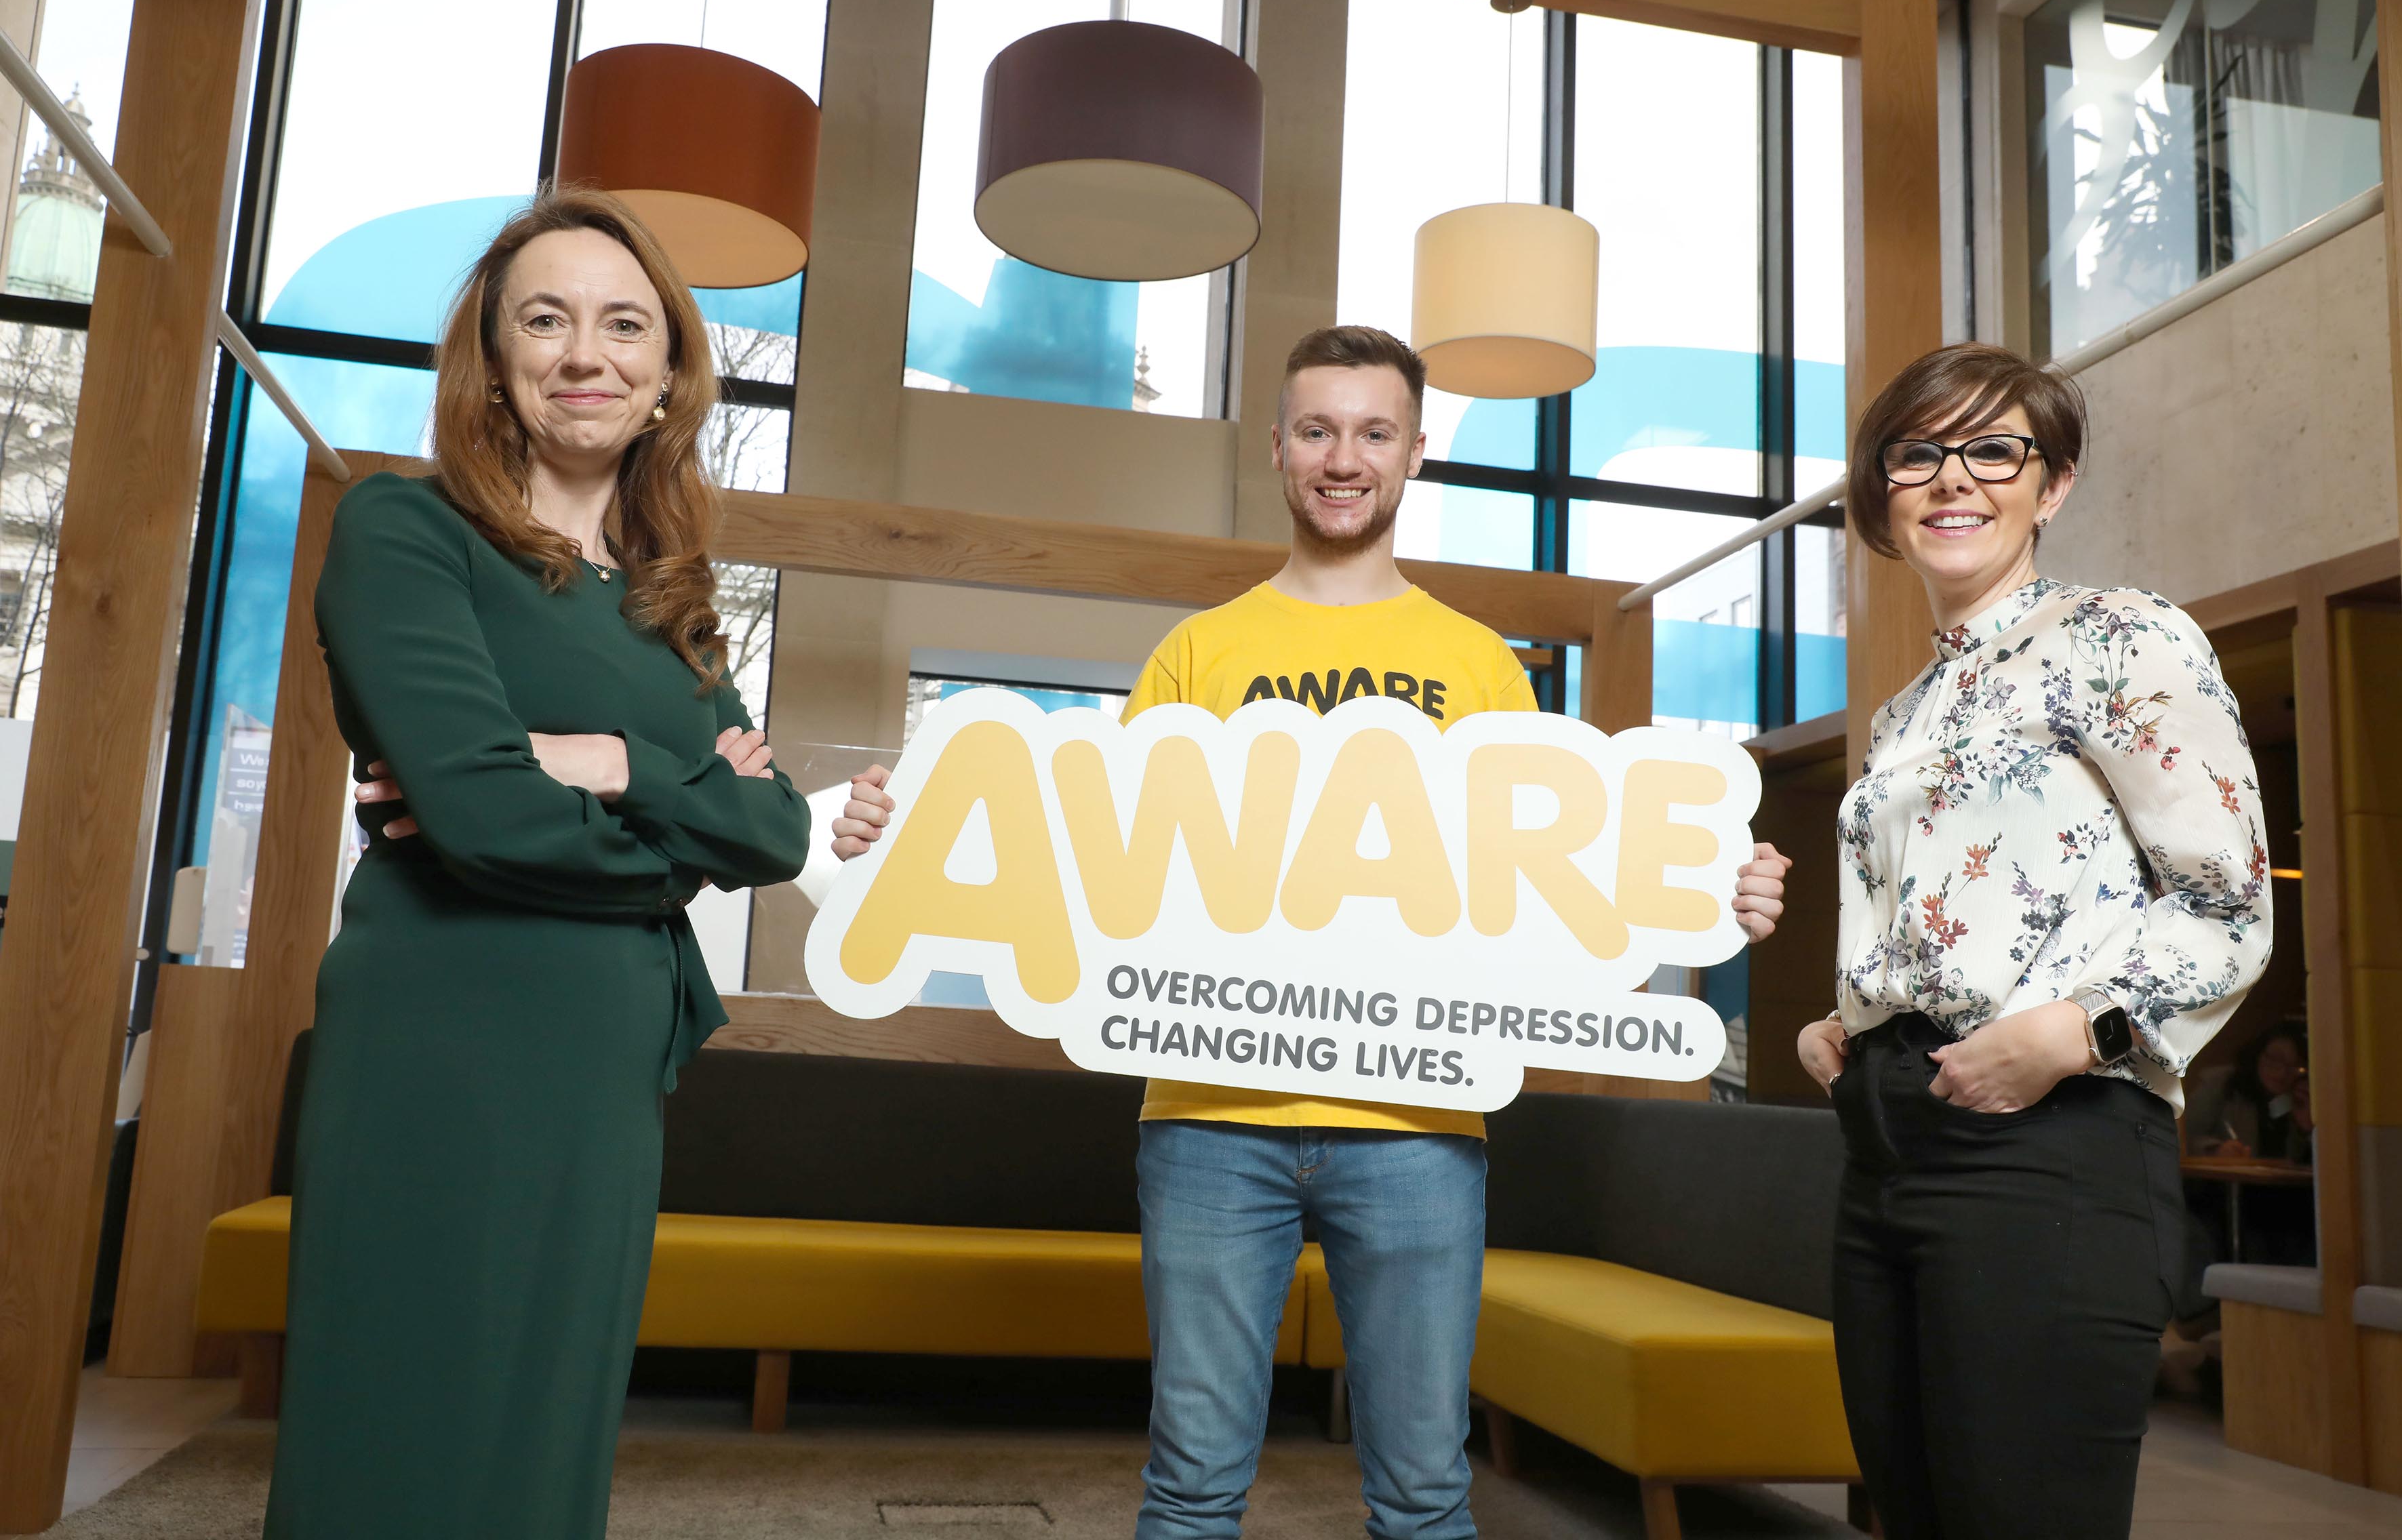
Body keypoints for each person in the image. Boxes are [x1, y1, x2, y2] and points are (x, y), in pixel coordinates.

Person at [833, 325, 1792, 1540]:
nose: (1345, 456)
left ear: (1414, 453)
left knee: (1424, 1493)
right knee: (1187, 1489)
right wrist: (898, 837)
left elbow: (1558, 884)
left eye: (1374, 431)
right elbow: (1091, 854)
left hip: (1416, 1124)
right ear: (1281, 448)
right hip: (1206, 1123)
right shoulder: (1198, 652)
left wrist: (1713, 891)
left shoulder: (1480, 667)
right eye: (1319, 429)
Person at [264, 188, 812, 1538]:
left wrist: (613, 763)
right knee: (401, 1410)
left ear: (669, 370)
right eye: (547, 319)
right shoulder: (405, 532)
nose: (589, 353)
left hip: (605, 1064)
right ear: (496, 363)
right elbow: (482, 818)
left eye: (627, 323)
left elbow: (781, 828)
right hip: (444, 1036)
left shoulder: (669, 604)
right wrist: (677, 843)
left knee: (548, 1429)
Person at [1796, 342, 2270, 1539]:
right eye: (1918, 452)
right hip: (1884, 1146)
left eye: (1991, 449)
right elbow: (1949, 930)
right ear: (1882, 489)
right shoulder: (1905, 710)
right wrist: (1848, 1023)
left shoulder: (2118, 636)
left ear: (2047, 485)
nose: (1951, 478)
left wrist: (2073, 1029)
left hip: (2046, 1140)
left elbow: (2225, 905)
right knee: (1909, 1515)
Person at [2187, 1021, 2312, 1162]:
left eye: (2295, 1065)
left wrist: (2306, 1128)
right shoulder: (2222, 1083)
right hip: (2226, 1181)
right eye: (2275, 1060)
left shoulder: (2298, 1097)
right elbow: (2185, 1136)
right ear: (2258, 1054)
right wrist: (2215, 1150)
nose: (2282, 1073)